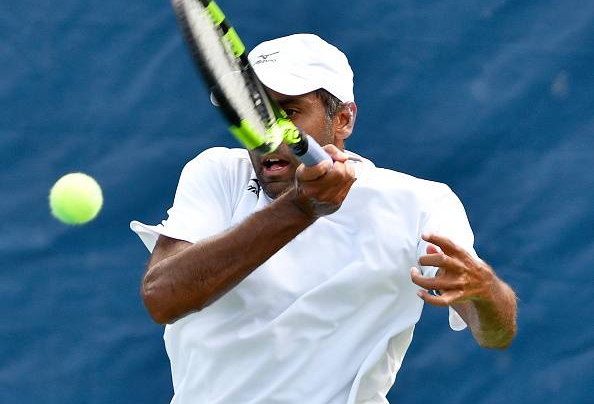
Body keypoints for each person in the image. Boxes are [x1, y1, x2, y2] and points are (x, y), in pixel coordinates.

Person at [130, 33, 517, 404]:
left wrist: (486, 291)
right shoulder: (216, 173)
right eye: (255, 111)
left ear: (344, 119)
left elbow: (494, 334)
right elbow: (162, 298)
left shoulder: (419, 203)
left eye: (289, 111)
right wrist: (300, 208)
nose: (266, 134)